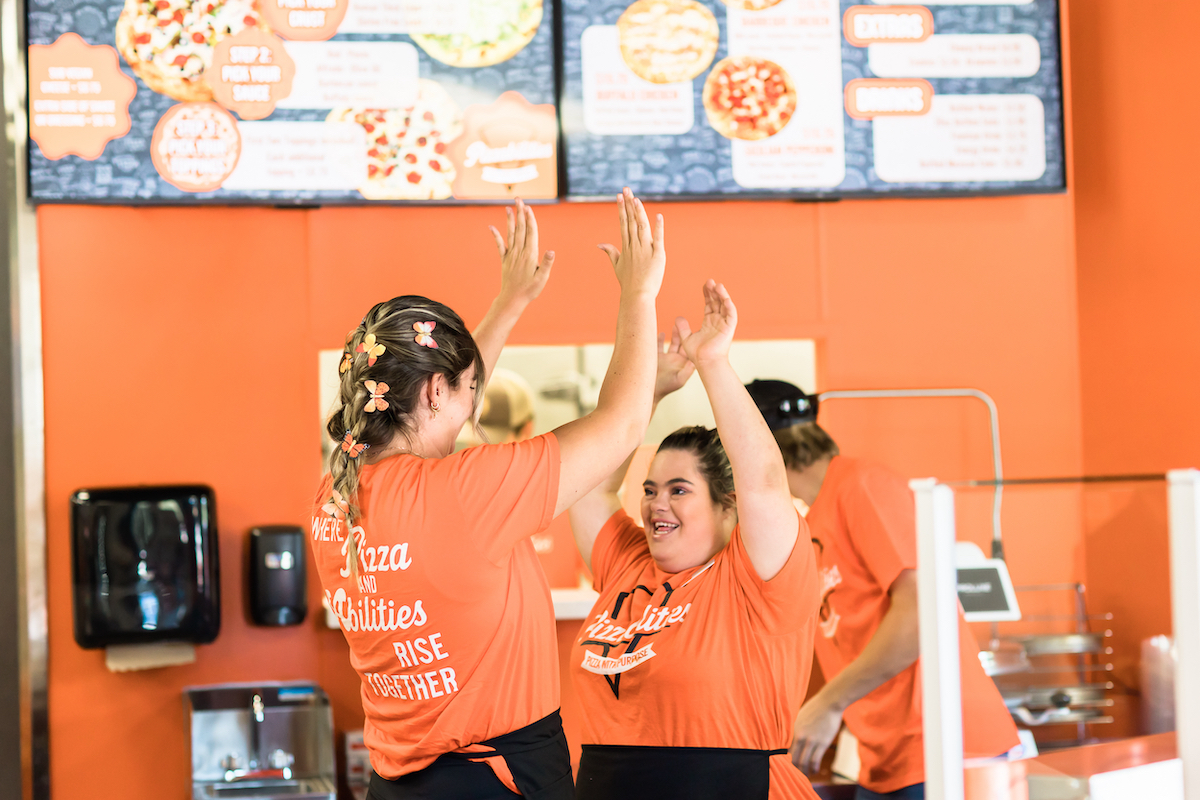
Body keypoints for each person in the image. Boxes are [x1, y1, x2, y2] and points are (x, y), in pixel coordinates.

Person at [310, 192, 665, 800]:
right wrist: (639, 294)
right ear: (433, 392)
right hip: (498, 777)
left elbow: (445, 404)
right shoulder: (464, 491)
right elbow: (624, 423)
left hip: (396, 783)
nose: (473, 407)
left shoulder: (334, 496)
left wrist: (509, 304)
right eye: (468, 388)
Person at [567, 281, 822, 800]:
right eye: (650, 490)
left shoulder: (758, 577)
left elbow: (764, 481)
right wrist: (649, 394)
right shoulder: (627, 564)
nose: (656, 504)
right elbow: (588, 488)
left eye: (678, 490)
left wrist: (712, 362)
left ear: (728, 505)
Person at [744, 380, 1020, 800]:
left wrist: (829, 704)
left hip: (947, 751)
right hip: (886, 761)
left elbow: (923, 612)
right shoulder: (811, 522)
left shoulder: (861, 485)